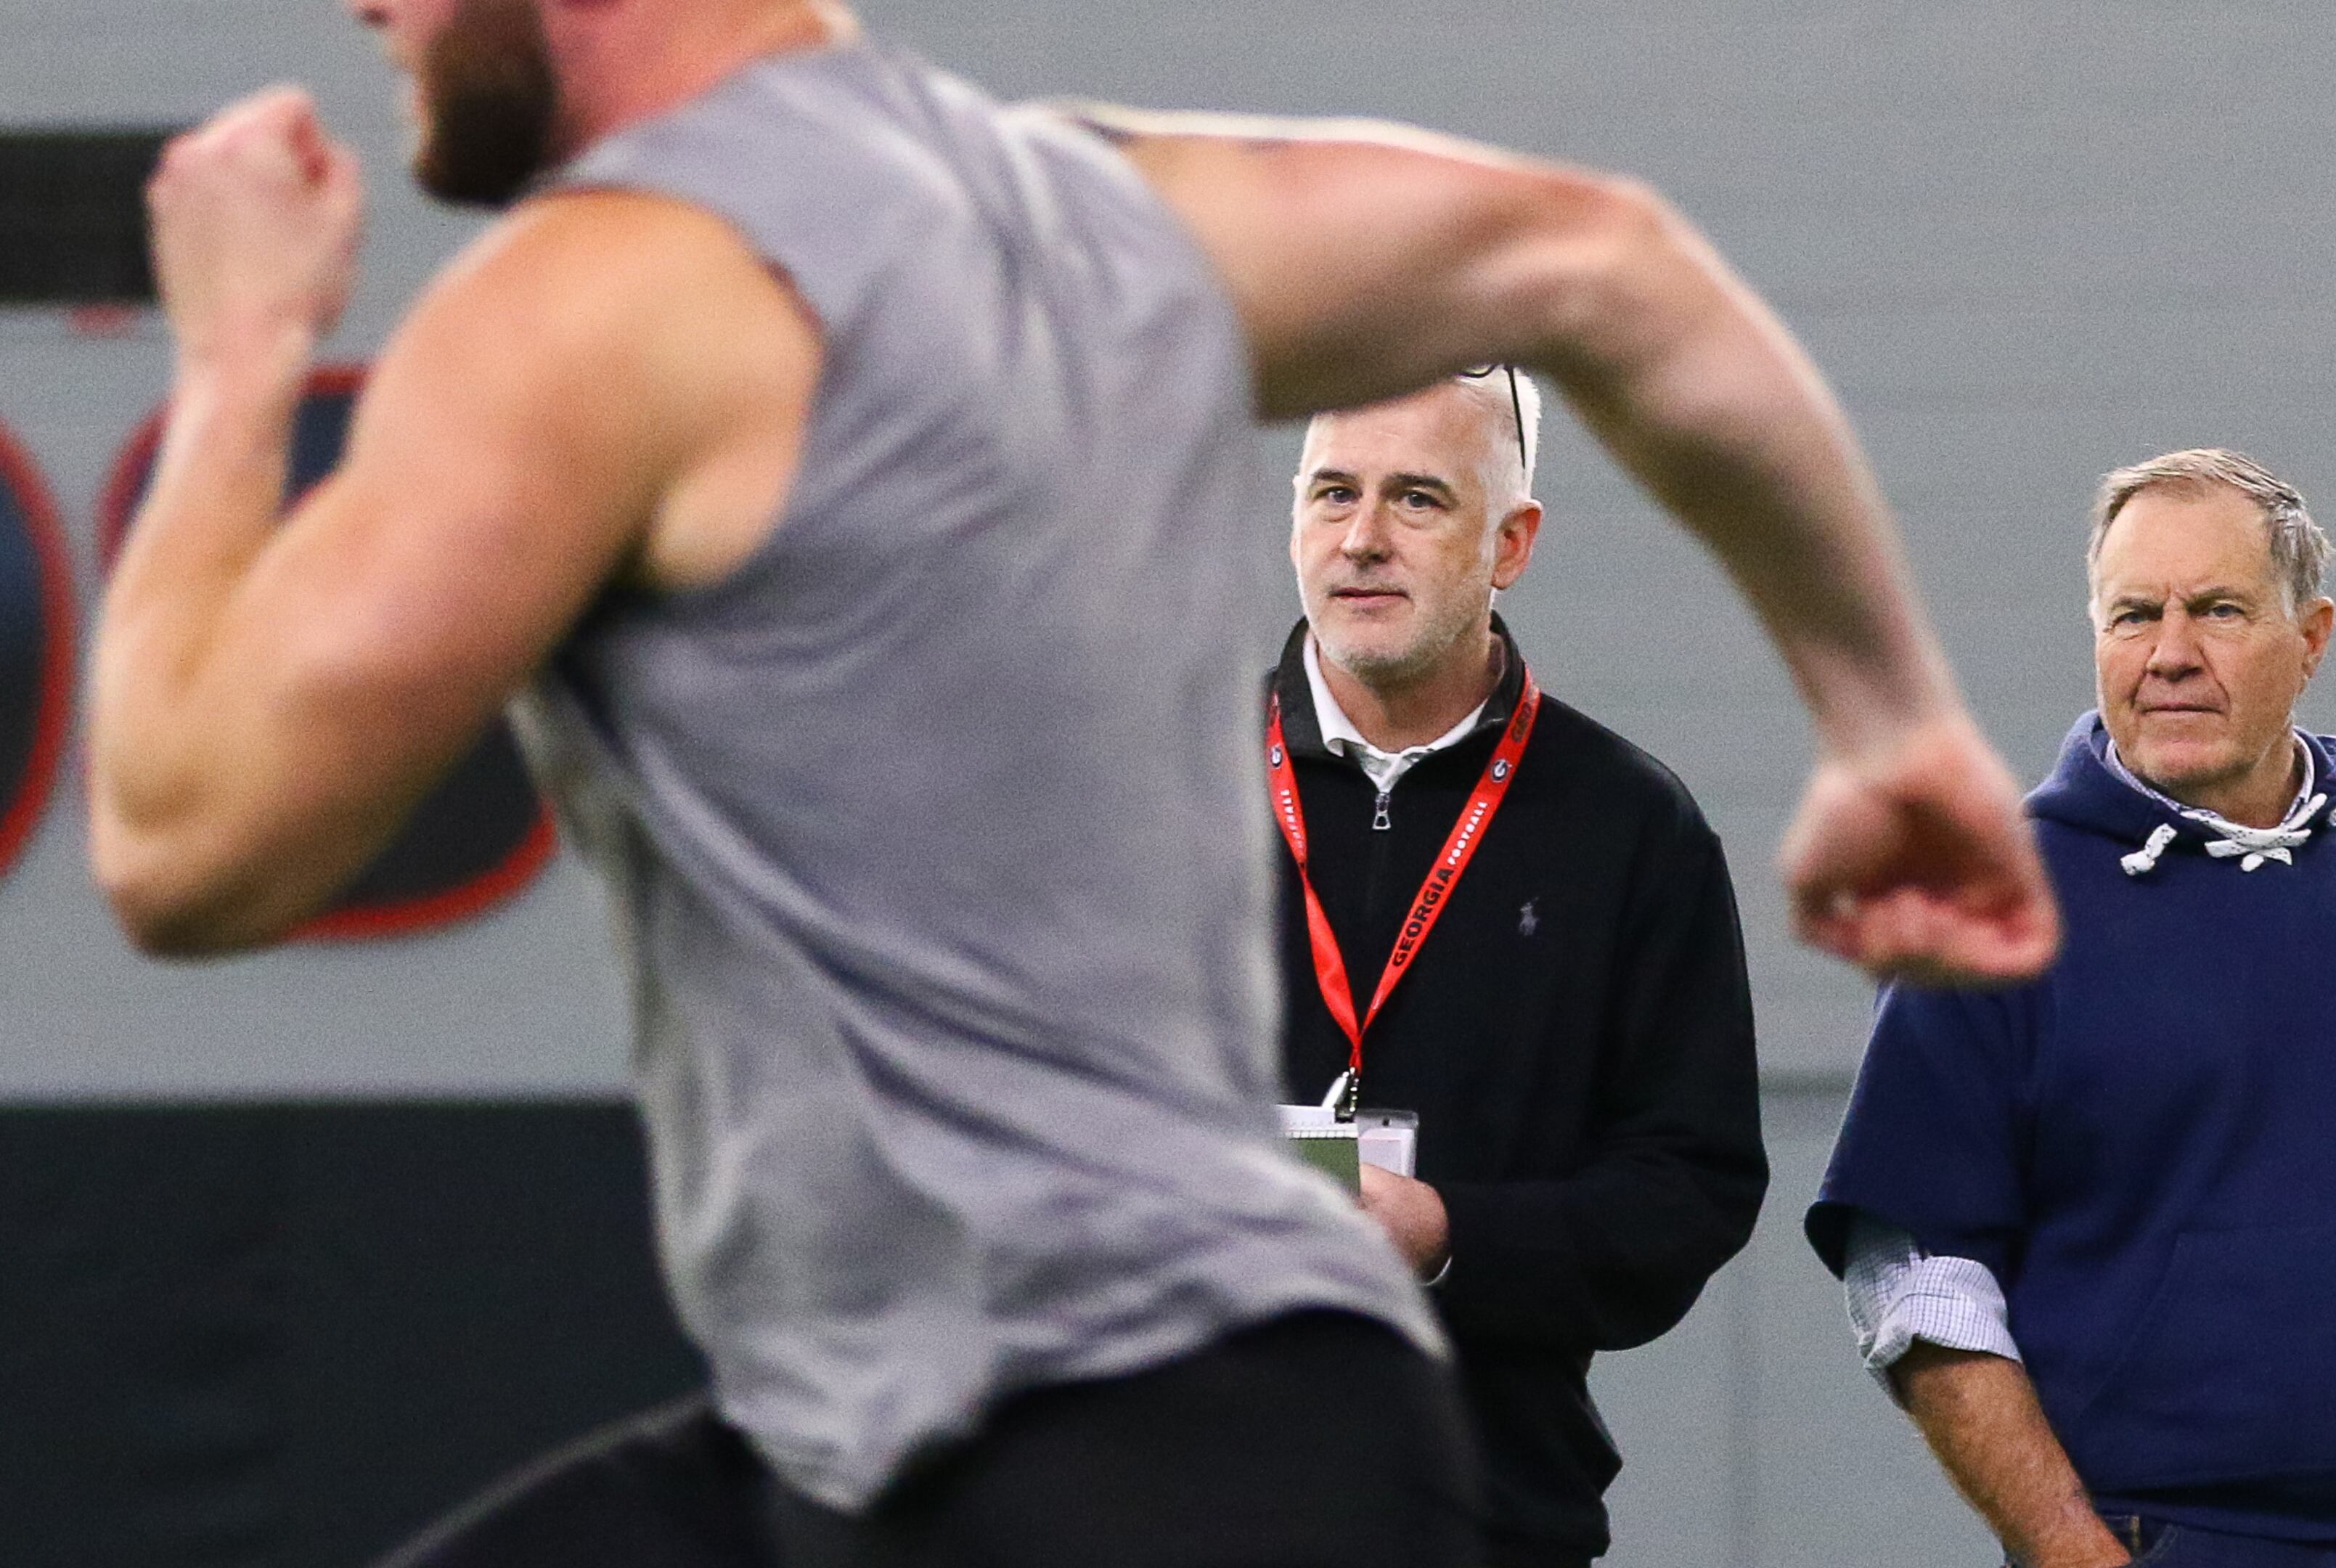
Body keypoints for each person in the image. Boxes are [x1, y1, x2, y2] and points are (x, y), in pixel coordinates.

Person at [89, 0, 2061, 1561]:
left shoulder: (593, 301)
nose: (372, 10)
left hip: (1150, 1456)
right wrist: (1886, 719)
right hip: (897, 1448)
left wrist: (246, 356)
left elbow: (185, 849)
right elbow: (1605, 258)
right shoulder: (1094, 214)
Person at [1803, 449, 2336, 1568]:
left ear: (2310, 641)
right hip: (2165, 1539)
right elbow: (1914, 1277)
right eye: (2132, 616)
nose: (2170, 655)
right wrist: (2073, 1552)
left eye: (2217, 610)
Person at [1268, 368, 1765, 1568]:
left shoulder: (1627, 825)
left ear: (1512, 543)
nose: (1363, 539)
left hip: (1487, 1519)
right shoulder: (1150, 792)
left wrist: (1447, 1235)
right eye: (1332, 494)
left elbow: (1690, 1191)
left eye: (1418, 500)